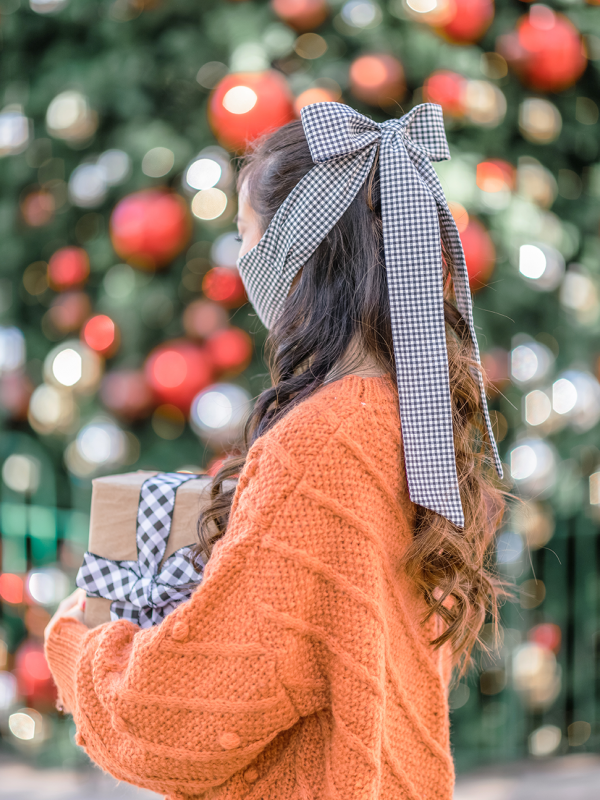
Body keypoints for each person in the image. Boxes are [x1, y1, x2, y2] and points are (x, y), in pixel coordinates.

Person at [45, 102, 511, 800]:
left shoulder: (318, 446)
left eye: (245, 234)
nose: (242, 262)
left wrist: (77, 639)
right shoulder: (410, 417)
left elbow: (178, 720)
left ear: (293, 250)